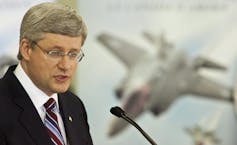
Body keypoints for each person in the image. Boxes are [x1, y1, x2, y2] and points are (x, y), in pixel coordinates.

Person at [0, 2, 93, 145]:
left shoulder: (74, 105)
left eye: (73, 54)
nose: (66, 65)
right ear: (26, 49)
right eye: (55, 53)